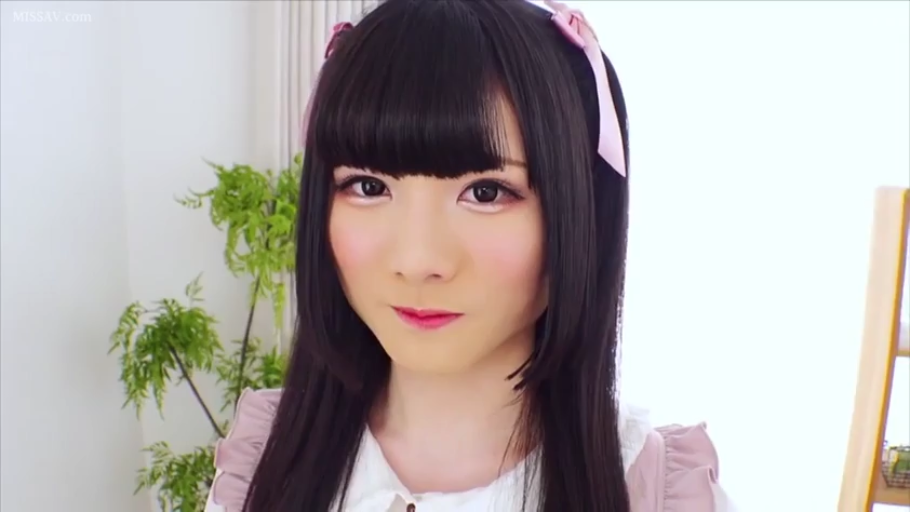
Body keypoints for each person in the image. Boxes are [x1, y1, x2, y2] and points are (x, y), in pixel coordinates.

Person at [205, 0, 737, 511]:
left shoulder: (653, 491)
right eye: (368, 186)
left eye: (485, 193)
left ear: (583, 212)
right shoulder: (265, 463)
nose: (417, 260)